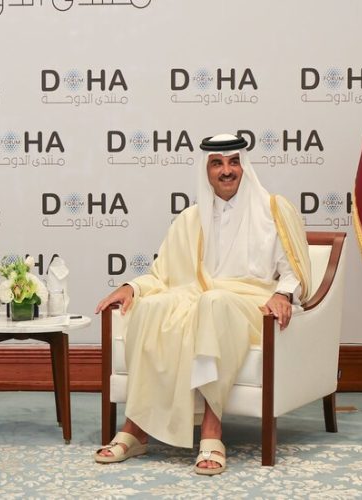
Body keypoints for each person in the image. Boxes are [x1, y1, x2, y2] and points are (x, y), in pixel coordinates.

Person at [94, 133, 311, 475]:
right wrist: (131, 287)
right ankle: (136, 428)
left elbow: (294, 269)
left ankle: (212, 429)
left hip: (251, 303)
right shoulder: (190, 219)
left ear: (244, 166)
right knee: (152, 308)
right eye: (217, 164)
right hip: (200, 297)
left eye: (234, 162)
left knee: (212, 302)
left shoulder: (272, 209)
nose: (227, 170)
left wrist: (283, 294)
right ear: (206, 170)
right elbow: (164, 275)